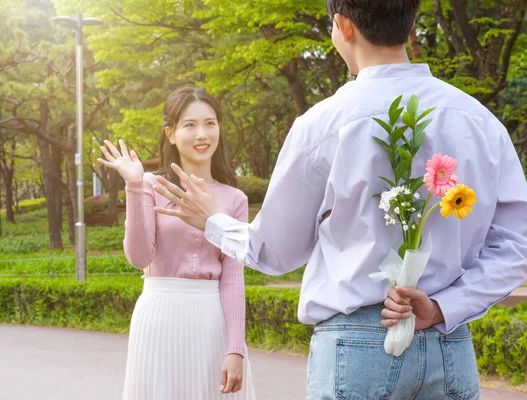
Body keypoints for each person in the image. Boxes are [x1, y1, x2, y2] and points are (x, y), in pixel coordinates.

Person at [151, 1, 527, 399]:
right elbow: (516, 247)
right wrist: (443, 307)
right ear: (413, 23)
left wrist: (214, 220)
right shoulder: (480, 121)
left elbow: (276, 252)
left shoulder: (323, 124)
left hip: (356, 346)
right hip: (448, 344)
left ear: (343, 26)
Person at [98, 87, 255, 399]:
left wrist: (235, 349)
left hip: (211, 322)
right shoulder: (150, 186)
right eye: (190, 125)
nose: (202, 134)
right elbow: (140, 258)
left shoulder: (234, 199)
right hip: (159, 317)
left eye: (210, 123)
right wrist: (133, 183)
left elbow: (233, 278)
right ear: (170, 134)